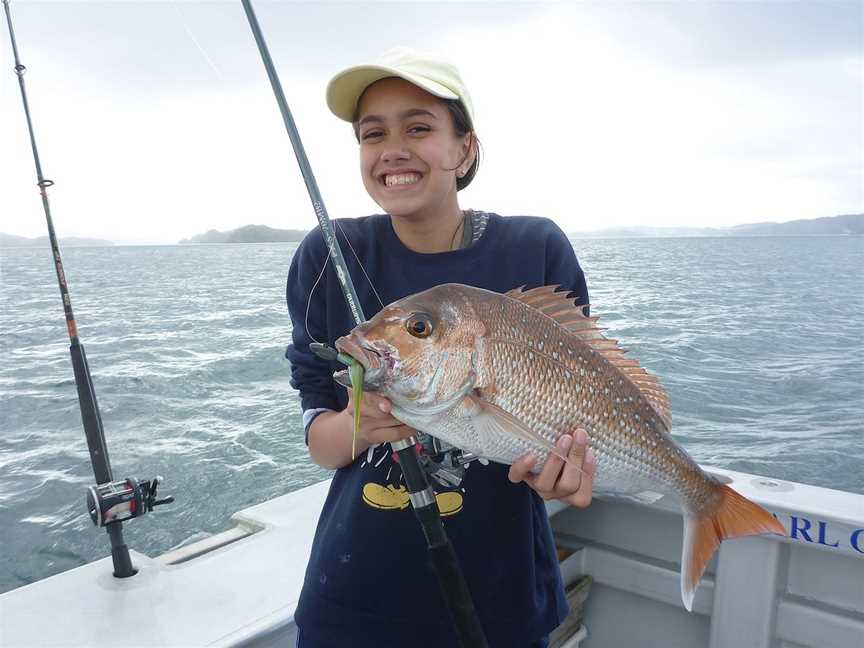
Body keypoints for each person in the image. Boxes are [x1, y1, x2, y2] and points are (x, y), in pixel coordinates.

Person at [285, 48, 596, 648]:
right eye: (372, 134)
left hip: (500, 602)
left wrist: (567, 473)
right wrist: (361, 421)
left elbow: (584, 394)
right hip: (354, 599)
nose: (392, 149)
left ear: (466, 149)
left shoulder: (534, 247)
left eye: (419, 127)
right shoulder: (327, 256)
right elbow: (321, 439)